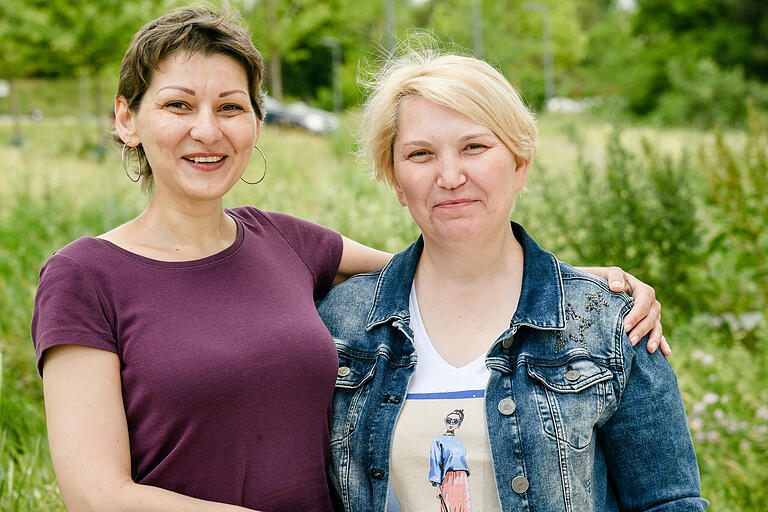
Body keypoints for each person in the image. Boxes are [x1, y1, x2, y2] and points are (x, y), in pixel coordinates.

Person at [31, 7, 663, 512]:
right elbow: (96, 495)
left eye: (231, 106)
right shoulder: (85, 275)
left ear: (256, 122)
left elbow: (451, 265)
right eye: (177, 105)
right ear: (127, 119)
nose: (208, 129)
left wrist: (581, 289)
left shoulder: (288, 244)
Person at [317, 49, 708, 512]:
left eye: (474, 147)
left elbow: (668, 502)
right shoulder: (339, 323)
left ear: (519, 164)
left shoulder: (610, 321)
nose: (449, 175)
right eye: (420, 154)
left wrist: (584, 292)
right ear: (397, 182)